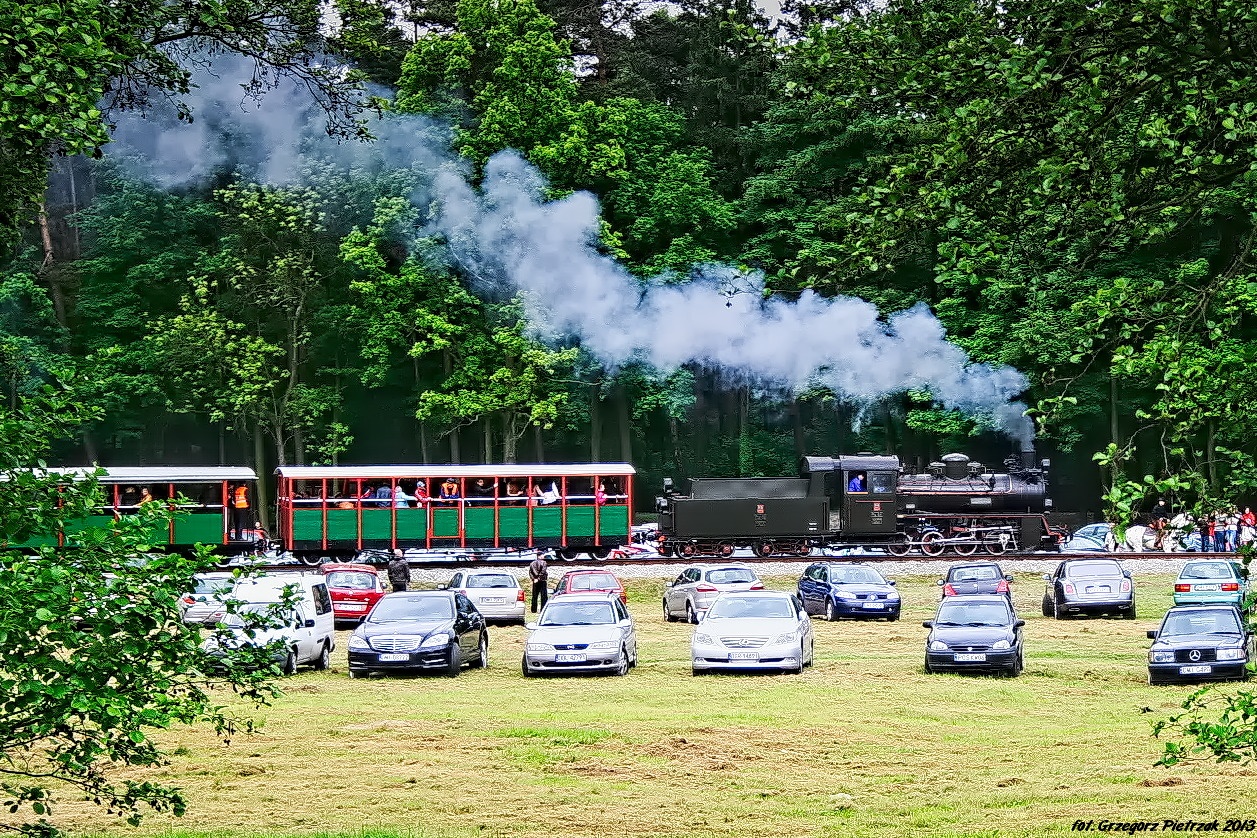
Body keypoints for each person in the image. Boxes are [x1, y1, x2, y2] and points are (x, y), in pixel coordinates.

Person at [528, 549, 549, 613]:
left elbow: (530, 572)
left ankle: (533, 610)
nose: (543, 556)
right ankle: (543, 609)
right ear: (539, 556)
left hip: (535, 581)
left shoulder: (532, 563)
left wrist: (534, 579)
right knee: (544, 596)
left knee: (534, 596)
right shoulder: (544, 563)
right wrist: (539, 578)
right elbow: (543, 572)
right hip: (542, 581)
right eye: (542, 555)